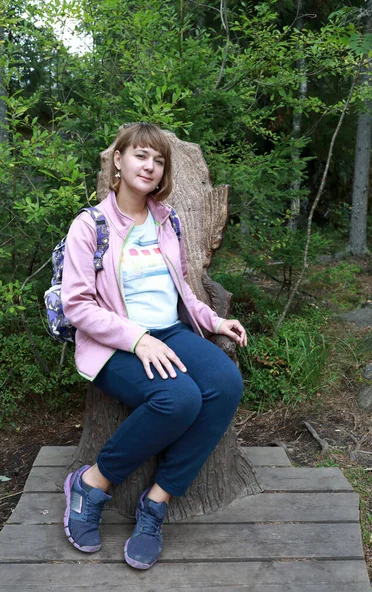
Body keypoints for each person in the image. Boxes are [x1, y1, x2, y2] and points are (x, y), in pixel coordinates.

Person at [61, 122, 247, 570]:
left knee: (225, 382)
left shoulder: (166, 220)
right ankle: (92, 484)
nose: (150, 165)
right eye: (140, 155)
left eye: (158, 159)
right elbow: (77, 305)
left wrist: (213, 319)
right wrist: (137, 338)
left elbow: (180, 286)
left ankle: (157, 502)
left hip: (169, 332)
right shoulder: (91, 225)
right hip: (115, 342)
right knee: (177, 398)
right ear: (118, 162)